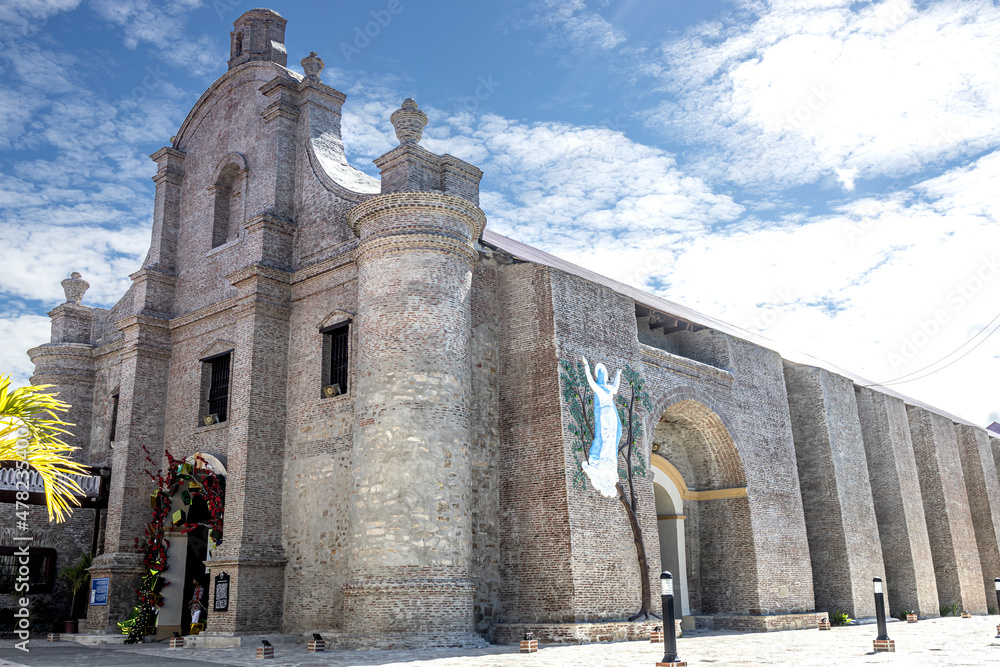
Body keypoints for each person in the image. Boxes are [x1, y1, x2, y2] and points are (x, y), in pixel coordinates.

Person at [581, 356, 622, 498]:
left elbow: (616, 386)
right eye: (601, 374)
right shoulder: (599, 389)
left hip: (611, 413)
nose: (602, 376)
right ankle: (600, 458)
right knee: (607, 437)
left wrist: (618, 374)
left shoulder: (609, 389)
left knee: (613, 437)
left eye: (602, 373)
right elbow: (590, 382)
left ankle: (606, 458)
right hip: (604, 414)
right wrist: (586, 367)